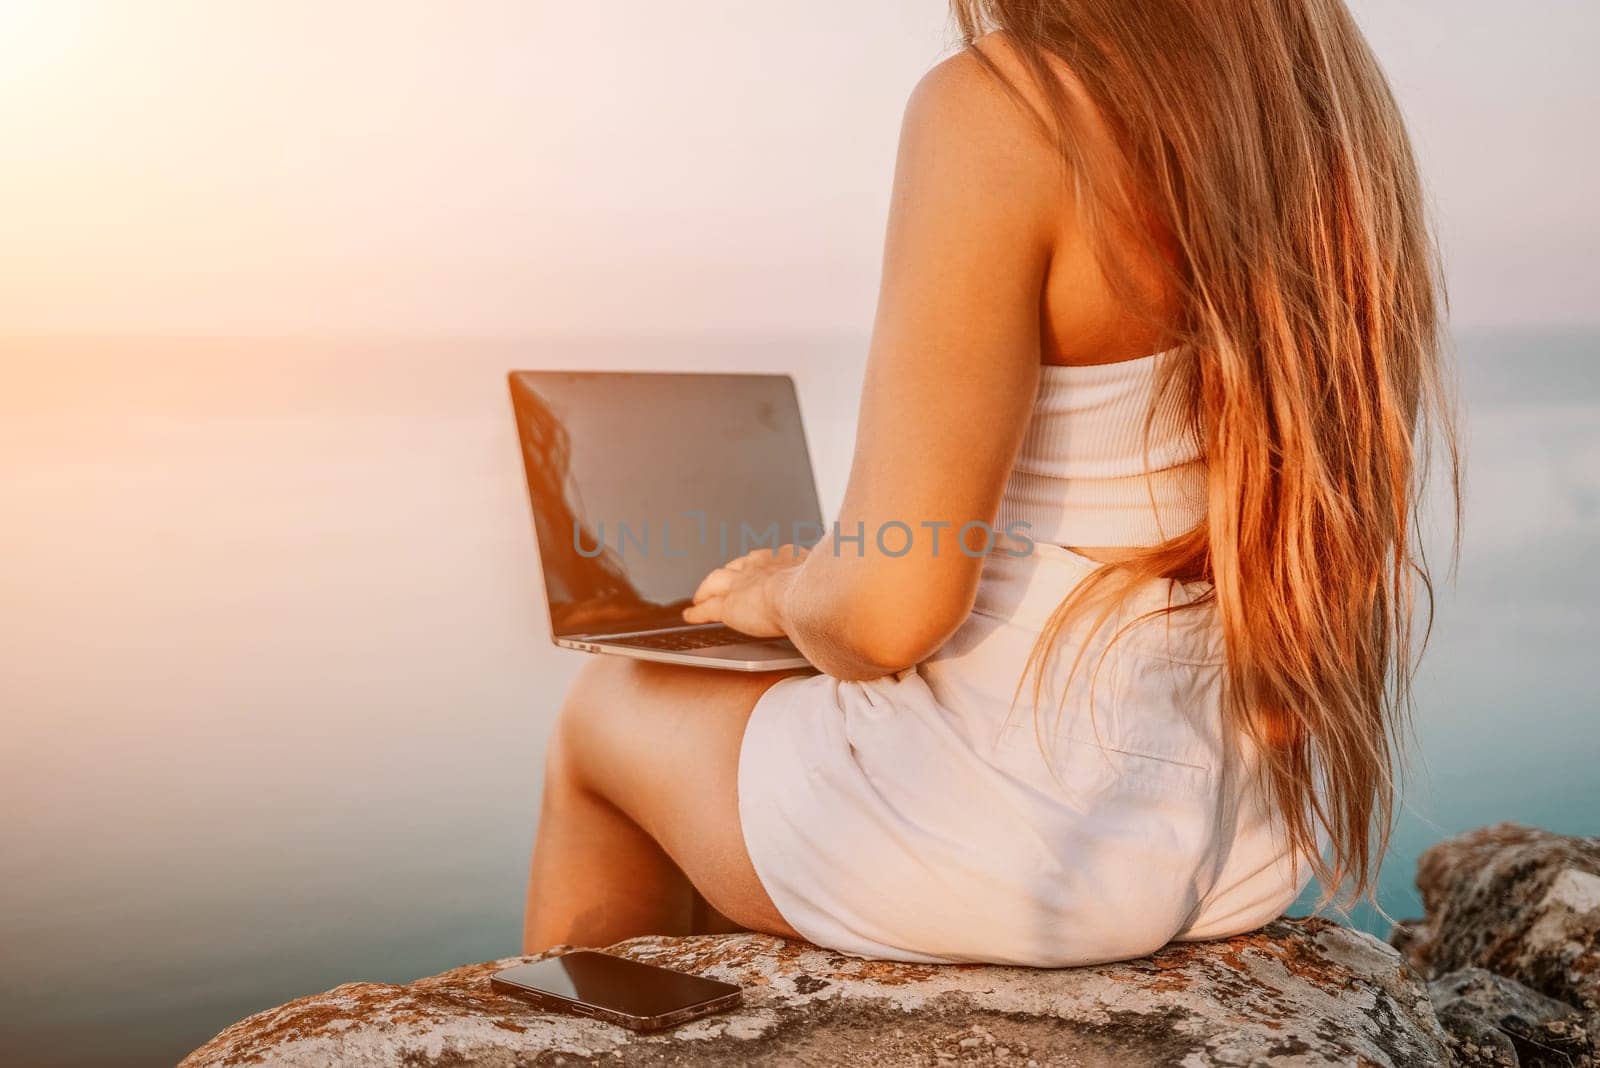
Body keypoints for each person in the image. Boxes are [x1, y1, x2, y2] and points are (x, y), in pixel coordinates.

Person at [521, 0, 1457, 966]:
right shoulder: (1321, 118)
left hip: (1019, 843)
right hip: (1245, 835)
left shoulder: (1007, 103)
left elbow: (889, 614)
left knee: (606, 708)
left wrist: (785, 589)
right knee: (780, 701)